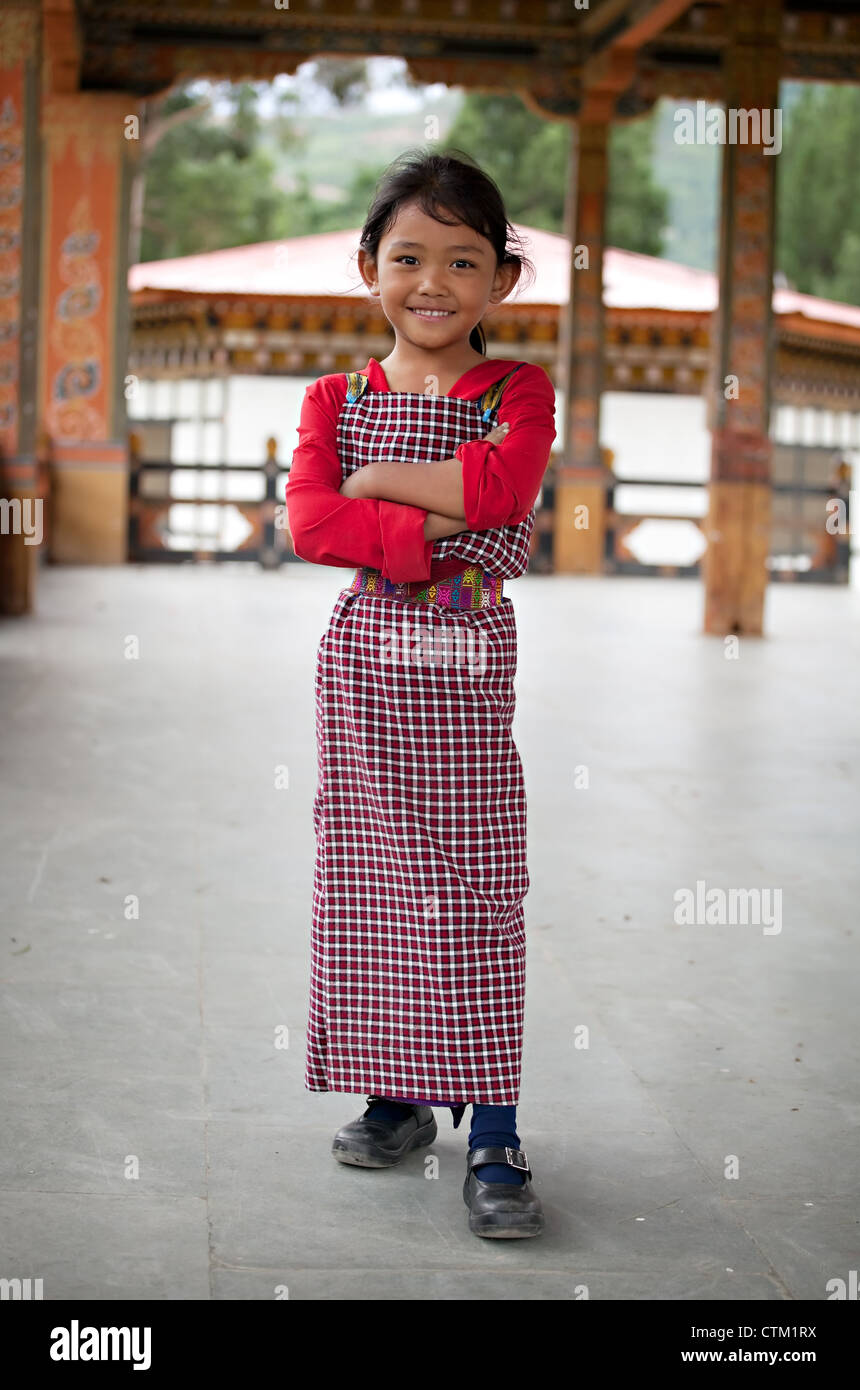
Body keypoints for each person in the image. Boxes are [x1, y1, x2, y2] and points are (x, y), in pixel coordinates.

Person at [286, 149, 557, 1239]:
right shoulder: (329, 395)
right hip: (359, 670)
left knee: (480, 886)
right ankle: (395, 1096)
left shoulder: (516, 392)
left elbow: (508, 487)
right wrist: (442, 523)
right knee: (372, 881)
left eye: (462, 259)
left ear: (501, 281)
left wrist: (373, 485)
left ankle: (492, 1128)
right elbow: (310, 527)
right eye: (407, 257)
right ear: (367, 267)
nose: (431, 282)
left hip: (464, 666)